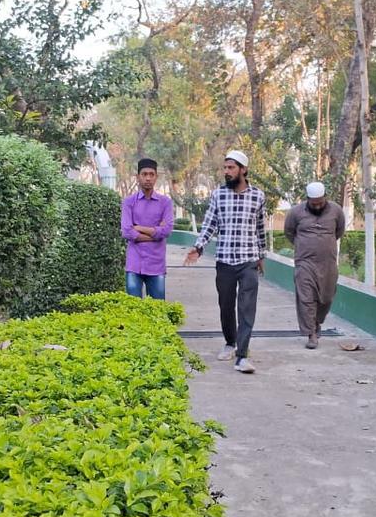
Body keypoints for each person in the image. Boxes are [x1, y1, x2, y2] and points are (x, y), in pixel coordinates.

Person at [184, 150, 267, 374]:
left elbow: (260, 229)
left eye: (231, 168)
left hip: (248, 261)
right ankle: (230, 343)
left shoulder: (258, 196)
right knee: (226, 306)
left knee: (247, 308)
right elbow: (209, 225)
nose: (227, 172)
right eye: (225, 168)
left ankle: (242, 356)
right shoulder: (218, 195)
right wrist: (198, 247)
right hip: (225, 261)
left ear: (243, 170)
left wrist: (261, 256)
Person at [283, 181, 345, 349]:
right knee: (306, 298)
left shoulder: (336, 211)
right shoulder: (296, 212)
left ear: (325, 197)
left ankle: (317, 321)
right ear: (307, 199)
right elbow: (289, 232)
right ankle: (311, 334)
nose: (317, 206)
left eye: (320, 202)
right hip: (305, 262)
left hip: (328, 263)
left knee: (327, 297)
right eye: (313, 203)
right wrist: (304, 245)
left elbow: (339, 231)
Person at [121, 157, 174, 299]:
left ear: (156, 177)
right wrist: (155, 233)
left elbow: (167, 230)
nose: (148, 178)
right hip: (134, 264)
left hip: (156, 265)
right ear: (138, 177)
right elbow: (126, 231)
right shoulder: (129, 202)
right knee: (133, 311)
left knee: (157, 311)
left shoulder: (165, 203)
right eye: (144, 174)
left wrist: (138, 228)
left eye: (151, 174)